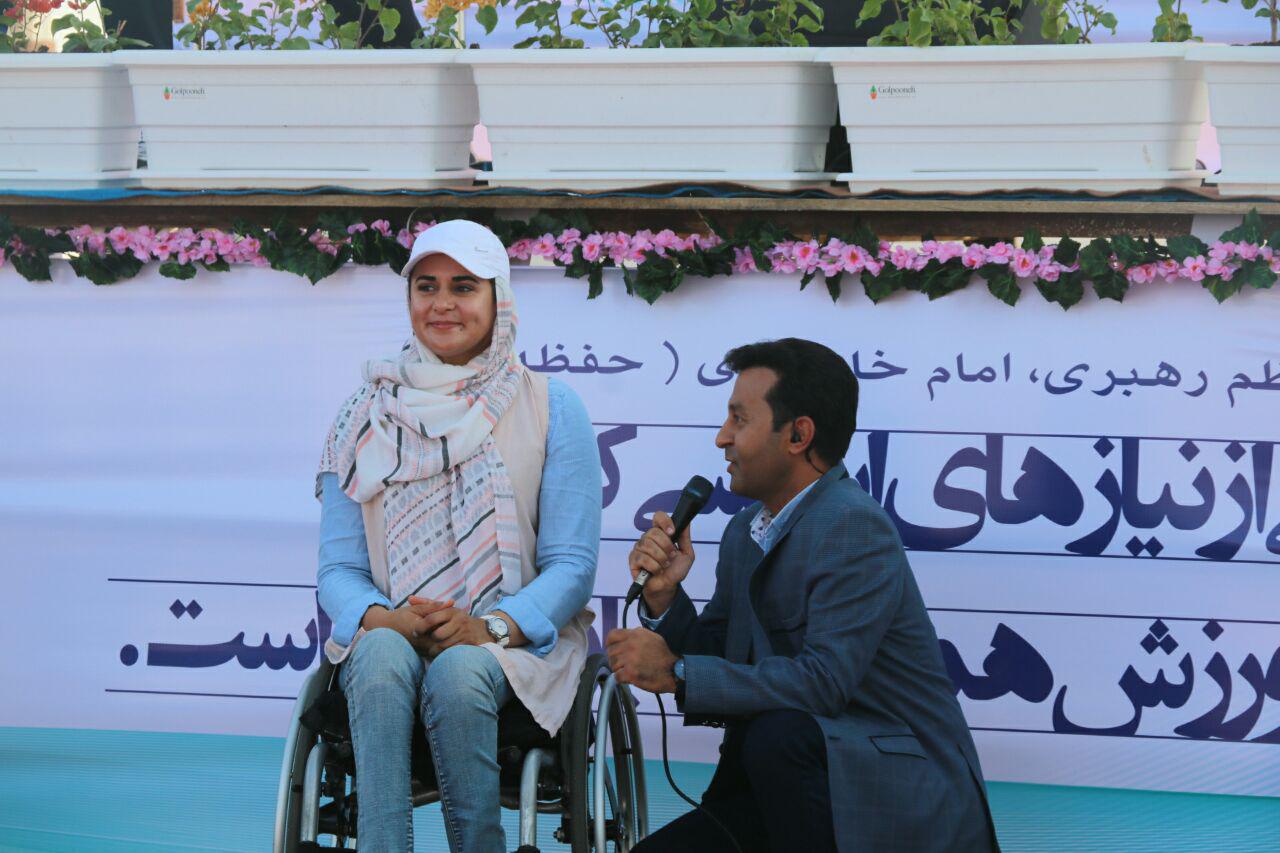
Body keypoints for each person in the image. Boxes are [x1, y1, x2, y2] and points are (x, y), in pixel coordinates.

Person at [606, 338, 999, 853]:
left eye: (739, 419)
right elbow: (723, 653)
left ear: (798, 435)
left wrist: (677, 673)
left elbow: (823, 683)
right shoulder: (745, 529)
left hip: (888, 792)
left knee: (779, 735)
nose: (722, 437)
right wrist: (665, 598)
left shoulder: (854, 525)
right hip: (788, 780)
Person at [315, 219, 601, 853]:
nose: (442, 303)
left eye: (464, 286)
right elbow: (337, 569)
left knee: (459, 671)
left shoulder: (551, 406)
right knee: (380, 655)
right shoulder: (362, 413)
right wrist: (384, 619)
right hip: (391, 633)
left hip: (514, 644)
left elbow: (572, 565)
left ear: (499, 299)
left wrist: (487, 628)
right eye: (426, 286)